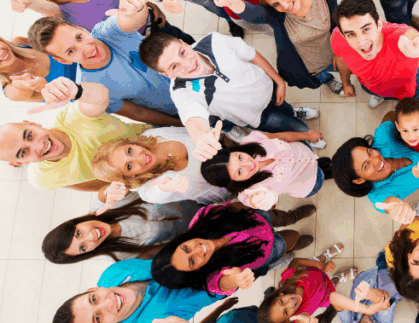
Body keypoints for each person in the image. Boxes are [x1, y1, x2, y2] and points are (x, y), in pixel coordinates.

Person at [138, 31, 324, 163]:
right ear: (166, 75)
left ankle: (294, 112)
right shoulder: (182, 91)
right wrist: (201, 138)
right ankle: (305, 137)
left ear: (184, 43)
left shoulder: (214, 41)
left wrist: (279, 81)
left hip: (270, 90)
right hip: (259, 117)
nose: (187, 63)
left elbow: (251, 55)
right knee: (297, 129)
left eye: (182, 52)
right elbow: (192, 115)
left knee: (287, 109)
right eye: (174, 66)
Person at [26, 0, 183, 126]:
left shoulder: (107, 31)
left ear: (81, 28)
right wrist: (180, 124)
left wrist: (136, 8)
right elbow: (139, 113)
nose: (87, 48)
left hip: (192, 74)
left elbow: (129, 21)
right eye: (71, 51)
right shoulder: (91, 86)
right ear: (63, 60)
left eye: (79, 37)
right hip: (179, 110)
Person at [0, 78, 149, 192]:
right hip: (149, 178)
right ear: (20, 162)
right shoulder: (41, 179)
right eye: (24, 152)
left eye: (29, 136)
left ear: (32, 124)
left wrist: (76, 91)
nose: (39, 145)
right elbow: (76, 184)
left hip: (156, 138)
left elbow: (100, 97)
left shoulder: (73, 117)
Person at [150, 203, 321, 295]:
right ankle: (294, 245)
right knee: (290, 239)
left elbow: (234, 208)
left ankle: (293, 216)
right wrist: (235, 281)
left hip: (257, 217)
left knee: (279, 217)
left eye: (186, 248)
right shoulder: (213, 276)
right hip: (269, 249)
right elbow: (221, 284)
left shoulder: (203, 217)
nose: (198, 250)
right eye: (192, 261)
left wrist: (253, 203)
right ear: (197, 271)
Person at [49, 258, 222, 323]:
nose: (108, 302)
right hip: (224, 277)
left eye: (94, 299)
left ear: (93, 289)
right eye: (98, 318)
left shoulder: (112, 274)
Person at [213, 0, 345, 94]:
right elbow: (255, 14)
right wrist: (233, 3)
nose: (286, 5)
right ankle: (328, 80)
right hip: (310, 65)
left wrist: (338, 51)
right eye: (276, 4)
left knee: (345, 70)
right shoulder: (278, 16)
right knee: (321, 76)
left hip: (335, 53)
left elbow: (336, 23)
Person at [330, 0, 419, 108]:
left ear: (379, 24)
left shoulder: (399, 35)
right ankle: (380, 96)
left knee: (416, 102)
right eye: (351, 34)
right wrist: (346, 83)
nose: (361, 42)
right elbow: (341, 59)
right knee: (376, 92)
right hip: (370, 86)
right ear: (342, 34)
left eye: (366, 29)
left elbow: (410, 36)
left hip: (410, 89)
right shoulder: (337, 38)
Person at [90, 127, 235, 205]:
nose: (139, 157)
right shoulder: (148, 191)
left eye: (130, 151)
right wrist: (164, 187)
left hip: (236, 152)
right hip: (233, 188)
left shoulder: (153, 134)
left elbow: (198, 132)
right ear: (130, 176)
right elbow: (156, 191)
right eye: (129, 166)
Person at [201, 130, 331, 210]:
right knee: (325, 173)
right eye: (239, 172)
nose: (248, 164)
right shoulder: (250, 192)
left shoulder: (250, 141)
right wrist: (262, 199)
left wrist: (307, 135)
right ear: (233, 182)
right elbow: (255, 200)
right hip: (310, 182)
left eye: (239, 157)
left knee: (320, 163)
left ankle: (320, 164)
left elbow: (282, 136)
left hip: (305, 152)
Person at [42, 199, 201, 264]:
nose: (91, 237)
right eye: (83, 247)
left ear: (75, 223)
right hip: (198, 228)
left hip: (195, 196)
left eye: (78, 233)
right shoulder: (118, 257)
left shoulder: (105, 203)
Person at [331, 122, 419, 224]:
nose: (376, 160)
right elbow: (387, 203)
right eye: (366, 165)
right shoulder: (379, 195)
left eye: (369, 152)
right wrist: (396, 208)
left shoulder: (383, 135)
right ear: (359, 180)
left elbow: (390, 120)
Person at [329, 253, 419, 323]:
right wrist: (368, 297)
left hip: (364, 277)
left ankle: (379, 263)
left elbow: (333, 297)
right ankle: (382, 263)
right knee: (385, 271)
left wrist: (365, 308)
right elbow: (384, 299)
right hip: (385, 281)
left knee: (368, 273)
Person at [9, 0, 195, 44]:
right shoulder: (60, 12)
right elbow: (44, 8)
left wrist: (149, 5)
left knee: (189, 44)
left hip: (153, 24)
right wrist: (28, 2)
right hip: (135, 45)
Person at [256, 252, 358, 323]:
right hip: (326, 294)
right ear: (289, 319)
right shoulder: (299, 316)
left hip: (317, 271)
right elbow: (302, 319)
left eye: (281, 302)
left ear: (278, 295)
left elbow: (295, 262)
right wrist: (305, 320)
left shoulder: (288, 279)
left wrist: (319, 265)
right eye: (286, 312)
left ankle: (323, 258)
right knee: (333, 287)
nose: (289, 303)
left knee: (321, 267)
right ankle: (337, 278)